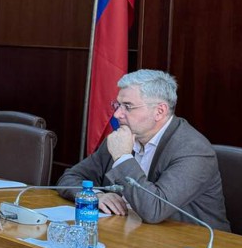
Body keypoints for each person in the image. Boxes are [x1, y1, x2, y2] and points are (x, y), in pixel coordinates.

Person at [57, 69, 229, 230]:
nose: (117, 114)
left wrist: (122, 157)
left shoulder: (193, 150)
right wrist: (95, 195)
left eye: (128, 106)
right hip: (133, 232)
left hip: (193, 245)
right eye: (117, 105)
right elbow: (70, 178)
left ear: (159, 111)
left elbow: (154, 210)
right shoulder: (122, 137)